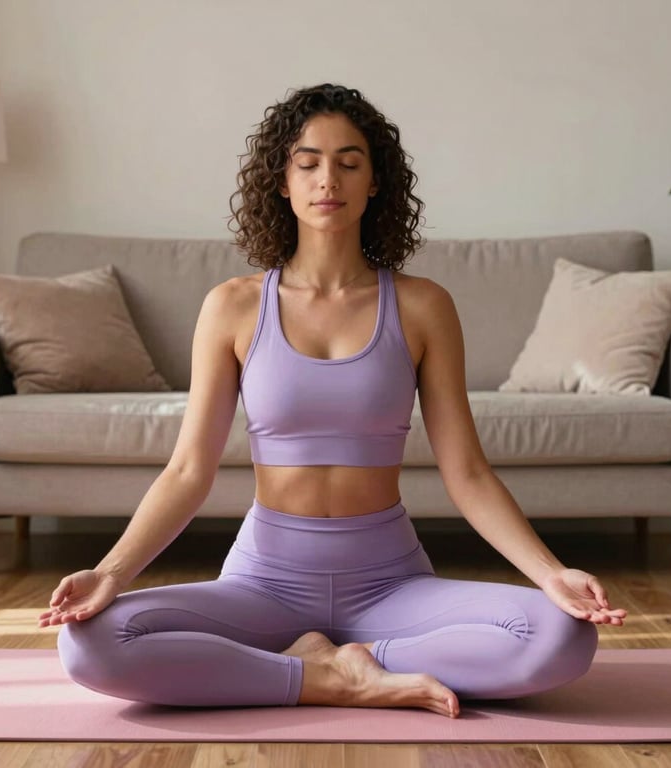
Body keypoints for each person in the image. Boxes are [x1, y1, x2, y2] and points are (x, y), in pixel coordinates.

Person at [39, 83, 626, 718]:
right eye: (308, 162)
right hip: (263, 582)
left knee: (561, 634)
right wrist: (111, 573)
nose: (328, 180)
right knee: (91, 644)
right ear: (282, 181)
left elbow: (468, 472)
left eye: (349, 162)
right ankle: (327, 676)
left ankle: (349, 659)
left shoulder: (423, 305)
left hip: (389, 582)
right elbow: (188, 471)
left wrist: (549, 573)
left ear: (375, 182)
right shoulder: (233, 307)